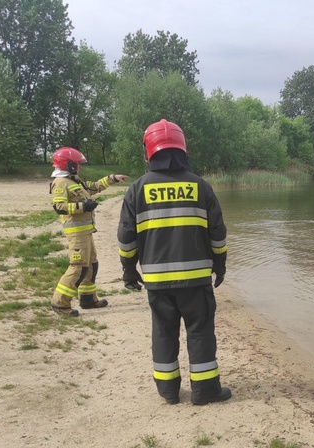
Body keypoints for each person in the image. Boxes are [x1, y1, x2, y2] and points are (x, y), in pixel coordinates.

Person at [117, 119, 231, 406]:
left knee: (164, 332)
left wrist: (130, 272)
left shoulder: (137, 189)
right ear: (183, 149)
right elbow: (217, 232)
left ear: (149, 152)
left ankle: (168, 391)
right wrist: (220, 265)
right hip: (196, 282)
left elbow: (126, 238)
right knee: (200, 332)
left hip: (157, 282)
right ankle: (205, 391)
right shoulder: (200, 186)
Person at [49, 147, 128, 317]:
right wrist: (82, 207)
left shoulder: (73, 181)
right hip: (76, 233)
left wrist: (112, 179)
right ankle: (60, 303)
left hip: (85, 232)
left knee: (91, 265)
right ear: (69, 165)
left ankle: (87, 298)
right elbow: (59, 207)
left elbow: (92, 188)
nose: (79, 167)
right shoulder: (60, 183)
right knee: (79, 267)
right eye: (77, 164)